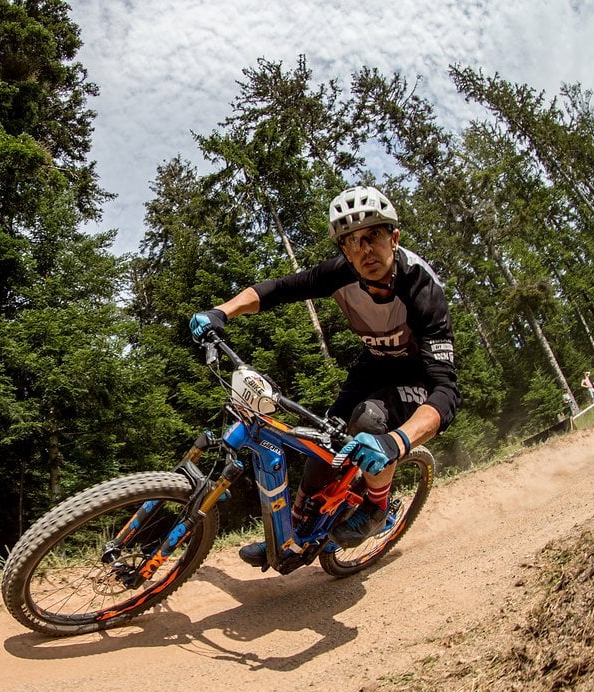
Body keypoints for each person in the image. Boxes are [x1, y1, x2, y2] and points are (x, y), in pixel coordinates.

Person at [189, 186, 460, 565]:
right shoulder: (340, 273)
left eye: (373, 237)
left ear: (394, 238)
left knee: (369, 420)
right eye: (352, 242)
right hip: (375, 362)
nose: (365, 250)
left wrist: (397, 442)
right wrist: (222, 311)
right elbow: (277, 290)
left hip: (418, 376)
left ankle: (377, 506)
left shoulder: (421, 289)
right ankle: (294, 534)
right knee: (326, 438)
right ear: (344, 251)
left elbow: (445, 390)